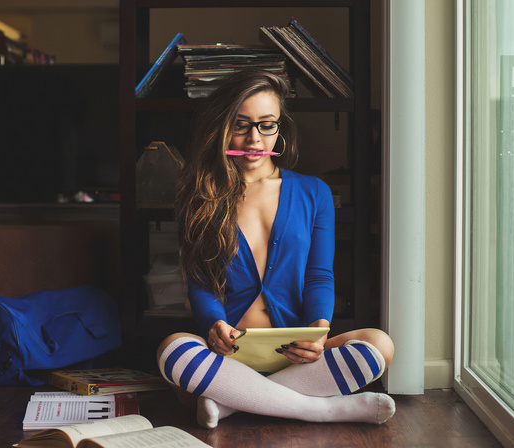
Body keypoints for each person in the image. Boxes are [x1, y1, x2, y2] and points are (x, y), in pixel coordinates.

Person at [156, 68, 395, 429]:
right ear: (221, 128)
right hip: (228, 353)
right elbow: (201, 282)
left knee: (379, 344)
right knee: (172, 349)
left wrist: (319, 330)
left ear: (279, 128)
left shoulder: (314, 192)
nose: (254, 138)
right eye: (241, 125)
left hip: (296, 353)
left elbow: (318, 274)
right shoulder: (198, 198)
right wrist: (214, 324)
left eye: (266, 125)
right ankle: (319, 409)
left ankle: (233, 402)